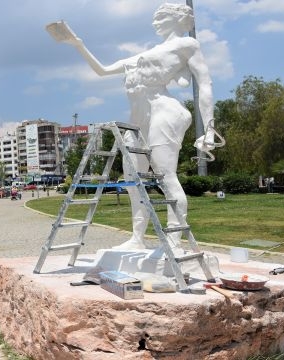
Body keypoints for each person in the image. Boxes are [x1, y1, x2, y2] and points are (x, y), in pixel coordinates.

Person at [50, 3, 221, 251]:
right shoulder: (144, 55)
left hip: (163, 112)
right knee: (131, 178)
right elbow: (102, 70)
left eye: (160, 17)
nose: (155, 22)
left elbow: (205, 84)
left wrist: (209, 128)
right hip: (138, 119)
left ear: (176, 19)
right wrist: (78, 44)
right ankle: (137, 238)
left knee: (166, 176)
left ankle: (173, 241)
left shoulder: (186, 45)